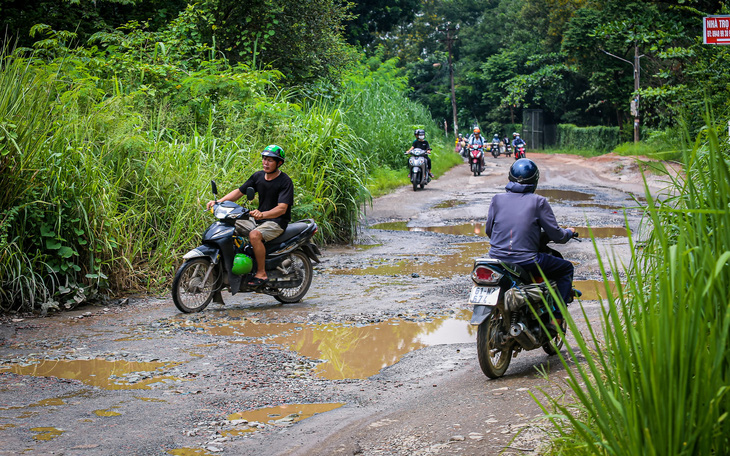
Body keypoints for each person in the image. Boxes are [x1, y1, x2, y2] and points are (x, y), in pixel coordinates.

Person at [485, 158, 576, 329]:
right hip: (527, 261)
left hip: (497, 260)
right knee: (566, 269)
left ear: (510, 177)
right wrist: (569, 233)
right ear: (535, 180)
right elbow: (557, 236)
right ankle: (555, 319)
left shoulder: (496, 199)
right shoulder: (538, 202)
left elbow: (489, 231)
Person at [206, 145, 294, 287]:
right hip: (258, 219)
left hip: (276, 221)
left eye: (270, 160)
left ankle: (261, 273)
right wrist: (218, 202)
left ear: (279, 163)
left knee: (254, 235)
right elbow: (239, 192)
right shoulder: (258, 176)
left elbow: (282, 209)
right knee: (227, 224)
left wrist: (263, 214)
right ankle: (232, 264)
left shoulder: (285, 181)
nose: (266, 163)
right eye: (264, 159)